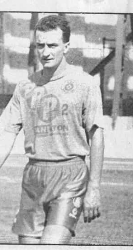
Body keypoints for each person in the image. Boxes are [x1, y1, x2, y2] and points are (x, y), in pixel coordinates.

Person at [0, 15, 104, 244]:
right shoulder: (25, 87)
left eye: (52, 45)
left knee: (51, 244)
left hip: (70, 174)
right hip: (34, 176)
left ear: (66, 47)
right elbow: (7, 133)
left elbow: (96, 135)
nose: (45, 52)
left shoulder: (84, 84)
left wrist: (94, 187)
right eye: (40, 45)